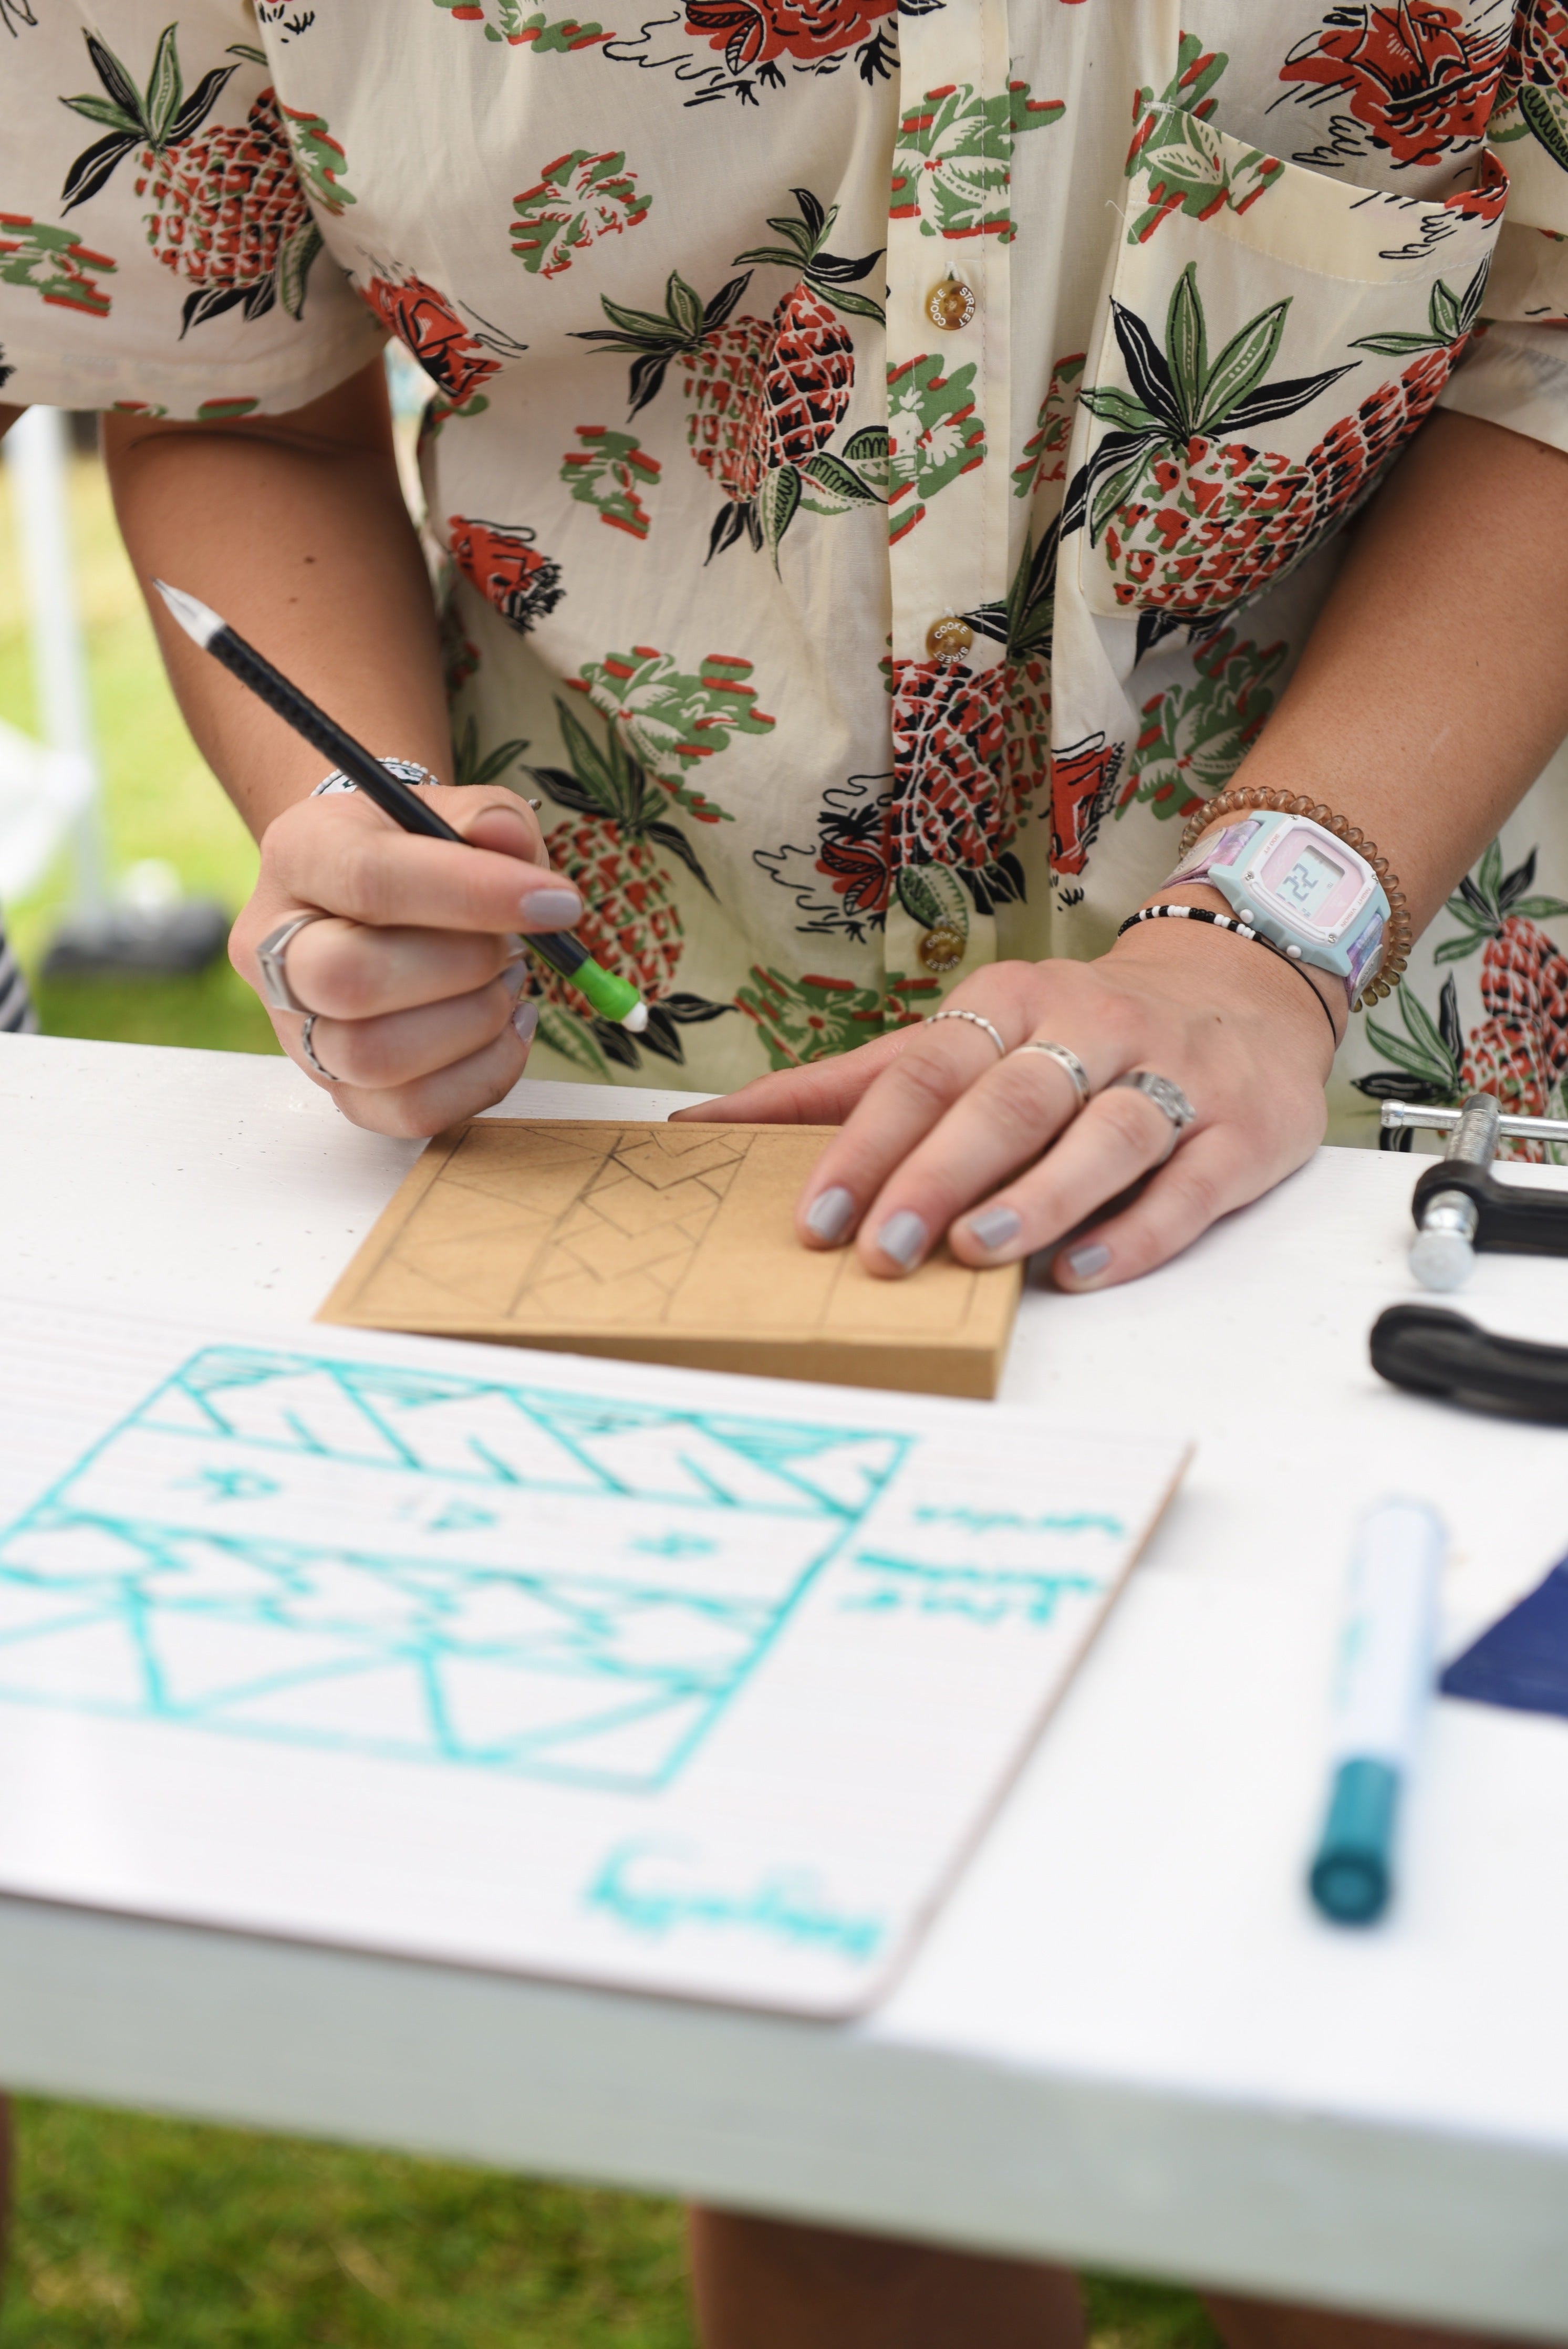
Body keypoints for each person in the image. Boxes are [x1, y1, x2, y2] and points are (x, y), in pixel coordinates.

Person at [4, 7, 1568, 2342]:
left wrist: (1271, 930)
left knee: (1416, 2045)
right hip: (674, 1022)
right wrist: (352, 828)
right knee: (825, 1984)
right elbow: (236, 385)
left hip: (1387, 941)